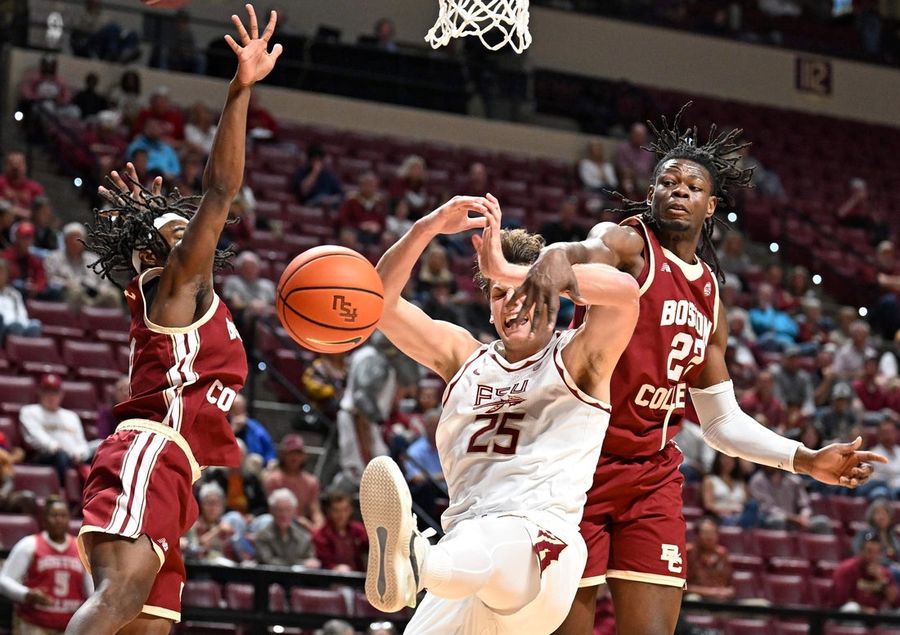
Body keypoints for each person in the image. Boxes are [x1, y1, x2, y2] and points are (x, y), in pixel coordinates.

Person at [479, 109, 886, 634]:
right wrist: (554, 262)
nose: (677, 190)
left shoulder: (712, 294)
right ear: (650, 193)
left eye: (692, 185)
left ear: (710, 205)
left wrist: (802, 459)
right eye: (666, 181)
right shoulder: (629, 245)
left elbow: (719, 423)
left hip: (650, 476)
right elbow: (581, 250)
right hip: (577, 469)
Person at [67, 8, 279, 633]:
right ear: (154, 257)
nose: (195, 235)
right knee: (118, 598)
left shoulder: (190, 299)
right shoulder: (173, 290)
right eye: (178, 232)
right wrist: (239, 90)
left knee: (149, 625)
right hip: (151, 449)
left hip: (177, 472)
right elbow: (220, 192)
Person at [362, 192, 639, 633]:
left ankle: (417, 560)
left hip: (541, 550)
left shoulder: (580, 359)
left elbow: (626, 295)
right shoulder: (463, 357)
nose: (511, 301)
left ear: (551, 294)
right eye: (498, 293)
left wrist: (509, 269)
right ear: (489, 312)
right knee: (470, 546)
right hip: (462, 563)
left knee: (490, 539)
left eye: (521, 290)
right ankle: (418, 564)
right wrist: (428, 226)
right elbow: (377, 303)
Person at [0, 497, 92, 635]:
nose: (58, 520)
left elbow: (92, 590)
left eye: (63, 515)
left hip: (70, 626)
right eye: (54, 515)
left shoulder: (81, 549)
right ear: (44, 520)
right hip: (33, 624)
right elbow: (3, 580)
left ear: (69, 520)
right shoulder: (29, 544)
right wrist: (26, 594)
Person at [20, 373, 90, 486]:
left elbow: (81, 442)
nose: (51, 396)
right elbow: (35, 437)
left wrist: (79, 453)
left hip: (74, 458)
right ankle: (61, 492)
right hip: (46, 456)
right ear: (39, 392)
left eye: (55, 392)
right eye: (47, 392)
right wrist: (55, 446)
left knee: (100, 449)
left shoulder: (71, 416)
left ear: (61, 394)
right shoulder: (30, 411)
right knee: (61, 456)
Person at [44, 223, 120, 309]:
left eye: (79, 238)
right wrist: (66, 284)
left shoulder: (93, 259)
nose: (76, 241)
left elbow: (105, 281)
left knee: (113, 294)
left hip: (95, 295)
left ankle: (110, 321)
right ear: (65, 240)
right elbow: (50, 280)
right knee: (76, 293)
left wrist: (101, 290)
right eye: (73, 238)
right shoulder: (54, 258)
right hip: (70, 294)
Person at [262, 434, 324, 532]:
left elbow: (315, 509)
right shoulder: (273, 479)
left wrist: (319, 525)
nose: (294, 458)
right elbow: (273, 509)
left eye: (298, 454)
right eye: (291, 453)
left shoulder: (311, 481)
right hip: (279, 525)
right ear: (283, 455)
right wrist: (298, 520)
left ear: (304, 456)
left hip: (304, 528)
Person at [833, 532, 900, 613]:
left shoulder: (884, 573)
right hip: (853, 617)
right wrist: (864, 610)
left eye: (877, 552)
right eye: (869, 551)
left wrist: (882, 580)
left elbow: (896, 602)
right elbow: (840, 602)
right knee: (851, 608)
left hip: (877, 617)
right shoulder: (846, 569)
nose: (873, 556)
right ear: (860, 551)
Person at [254, 488, 320, 568]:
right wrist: (301, 564)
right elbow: (268, 562)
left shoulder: (303, 536)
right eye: (279, 510)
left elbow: (311, 561)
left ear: (294, 511)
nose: (284, 514)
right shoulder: (263, 536)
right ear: (271, 511)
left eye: (288, 510)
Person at [312, 490, 368, 572]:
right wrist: (335, 568)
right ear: (329, 511)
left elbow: (371, 547)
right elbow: (324, 562)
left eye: (345, 510)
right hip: (332, 578)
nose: (341, 515)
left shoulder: (358, 529)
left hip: (358, 577)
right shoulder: (321, 534)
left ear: (350, 510)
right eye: (336, 510)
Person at [684, 517, 734, 602]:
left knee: (760, 604)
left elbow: (730, 585)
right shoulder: (688, 552)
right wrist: (710, 592)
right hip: (697, 599)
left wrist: (728, 591)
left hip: (720, 600)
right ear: (697, 535)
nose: (709, 537)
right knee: (692, 599)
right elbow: (682, 587)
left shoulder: (722, 554)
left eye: (713, 533)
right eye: (705, 533)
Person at [702, 452, 752, 526]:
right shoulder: (710, 480)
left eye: (731, 459)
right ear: (718, 460)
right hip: (719, 517)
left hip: (740, 516)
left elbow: (746, 503)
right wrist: (728, 510)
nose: (727, 461)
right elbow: (708, 505)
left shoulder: (741, 482)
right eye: (724, 458)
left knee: (753, 507)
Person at [0, 259, 41, 340]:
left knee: (35, 324)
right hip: (3, 327)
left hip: (17, 324)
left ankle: (29, 352)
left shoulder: (14, 294)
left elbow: (22, 313)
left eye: (1, 272)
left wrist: (24, 323)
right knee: (16, 326)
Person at [228, 393, 275, 464]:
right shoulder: (223, 425)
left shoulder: (254, 427)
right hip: (227, 463)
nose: (238, 412)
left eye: (240, 408)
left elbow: (268, 448)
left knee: (255, 460)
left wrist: (270, 462)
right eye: (234, 408)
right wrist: (233, 430)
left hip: (248, 465)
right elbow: (215, 450)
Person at [0, 152, 45, 217]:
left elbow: (40, 211)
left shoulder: (35, 188)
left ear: (25, 166)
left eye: (19, 164)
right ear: (6, 166)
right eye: (11, 164)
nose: (15, 167)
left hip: (27, 223)